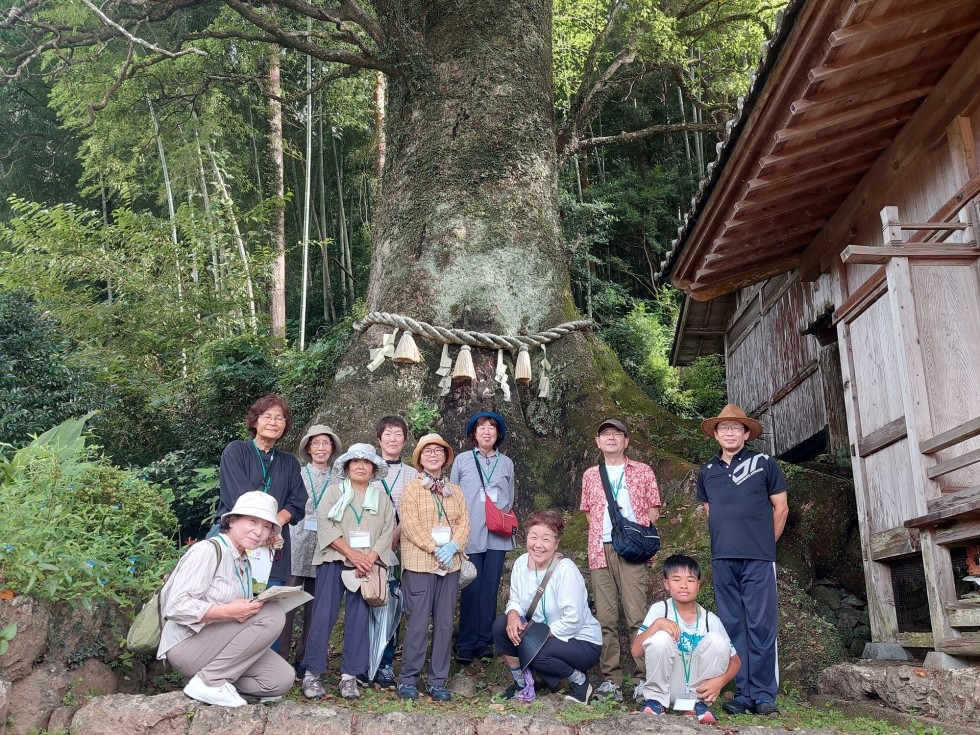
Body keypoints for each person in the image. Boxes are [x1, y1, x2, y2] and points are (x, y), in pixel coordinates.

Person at [157, 491, 294, 707]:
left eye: (266, 526)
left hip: (216, 643)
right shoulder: (208, 550)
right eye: (252, 521)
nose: (259, 532)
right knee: (272, 614)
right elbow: (175, 606)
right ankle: (208, 682)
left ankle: (212, 680)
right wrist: (228, 611)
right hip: (187, 644)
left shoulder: (243, 559)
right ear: (231, 520)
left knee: (280, 678)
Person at [696, 404, 788, 717]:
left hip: (758, 559)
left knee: (761, 625)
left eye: (736, 427)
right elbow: (710, 511)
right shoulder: (706, 471)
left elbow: (781, 508)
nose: (730, 432)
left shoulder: (765, 463)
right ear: (716, 434)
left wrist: (764, 545)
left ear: (746, 433)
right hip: (723, 558)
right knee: (733, 626)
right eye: (724, 427)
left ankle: (763, 695)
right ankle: (743, 693)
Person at [301, 443, 395, 700]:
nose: (361, 466)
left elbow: (387, 531)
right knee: (323, 616)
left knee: (359, 619)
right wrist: (352, 554)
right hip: (334, 560)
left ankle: (350, 677)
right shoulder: (334, 493)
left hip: (367, 566)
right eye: (356, 462)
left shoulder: (382, 498)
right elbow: (325, 525)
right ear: (347, 466)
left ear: (374, 468)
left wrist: (370, 558)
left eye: (366, 462)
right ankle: (312, 674)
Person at [579, 418, 661, 702]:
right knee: (605, 618)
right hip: (599, 549)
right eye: (605, 434)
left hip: (631, 552)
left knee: (637, 615)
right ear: (598, 442)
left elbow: (653, 510)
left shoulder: (642, 471)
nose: (611, 438)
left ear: (626, 441)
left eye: (617, 434)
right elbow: (589, 513)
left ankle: (642, 679)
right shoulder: (591, 475)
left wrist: (635, 540)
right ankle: (611, 680)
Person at [492, 510, 601, 704]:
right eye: (533, 537)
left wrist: (536, 636)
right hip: (540, 634)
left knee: (535, 649)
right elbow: (515, 599)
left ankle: (580, 681)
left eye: (546, 539)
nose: (538, 545)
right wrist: (513, 616)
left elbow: (573, 620)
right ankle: (522, 684)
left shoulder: (565, 570)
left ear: (556, 543)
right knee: (501, 627)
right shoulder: (520, 564)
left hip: (580, 642)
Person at [397, 433, 470, 702]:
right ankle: (408, 679)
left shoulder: (456, 491)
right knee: (417, 624)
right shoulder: (413, 488)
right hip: (420, 564)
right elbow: (410, 523)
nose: (433, 455)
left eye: (438, 450)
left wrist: (454, 545)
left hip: (449, 565)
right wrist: (434, 546)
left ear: (445, 456)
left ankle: (437, 680)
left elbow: (464, 523)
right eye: (427, 451)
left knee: (443, 624)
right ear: (419, 457)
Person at [632, 554, 740, 724]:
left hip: (697, 690)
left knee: (718, 640)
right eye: (676, 579)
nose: (683, 585)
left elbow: (736, 661)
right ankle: (656, 702)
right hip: (667, 685)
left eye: (690, 580)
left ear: (698, 585)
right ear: (666, 584)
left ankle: (697, 706)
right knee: (660, 637)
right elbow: (636, 651)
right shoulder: (660, 610)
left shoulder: (710, 619)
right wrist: (657, 624)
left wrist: (721, 681)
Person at [214, 395, 307, 592]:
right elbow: (239, 497)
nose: (273, 422)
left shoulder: (289, 462)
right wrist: (262, 528)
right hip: (236, 540)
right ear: (255, 421)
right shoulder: (236, 451)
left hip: (273, 546)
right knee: (228, 599)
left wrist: (272, 527)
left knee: (265, 607)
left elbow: (297, 501)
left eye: (279, 418)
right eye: (267, 416)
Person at [451, 410, 516, 664]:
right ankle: (466, 643)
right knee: (470, 588)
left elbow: (509, 496)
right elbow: (454, 495)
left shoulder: (506, 463)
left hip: (497, 535)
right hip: (469, 534)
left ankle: (485, 641)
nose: (487, 431)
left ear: (498, 434)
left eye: (492, 427)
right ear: (473, 434)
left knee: (489, 589)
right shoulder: (462, 460)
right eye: (481, 428)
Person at [279, 423, 342, 677]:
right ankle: (279, 659)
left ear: (332, 448)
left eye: (326, 443)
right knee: (286, 605)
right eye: (315, 443)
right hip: (295, 542)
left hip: (325, 547)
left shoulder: (339, 477)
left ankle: (306, 660)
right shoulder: (298, 472)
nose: (321, 448)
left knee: (315, 609)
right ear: (308, 447)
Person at [372, 415, 418, 690]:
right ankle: (367, 662)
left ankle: (386, 664)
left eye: (398, 434)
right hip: (370, 548)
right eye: (387, 433)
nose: (392, 439)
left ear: (404, 440)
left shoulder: (412, 474)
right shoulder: (367, 469)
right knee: (370, 600)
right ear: (379, 439)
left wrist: (395, 535)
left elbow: (413, 511)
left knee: (393, 604)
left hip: (402, 549)